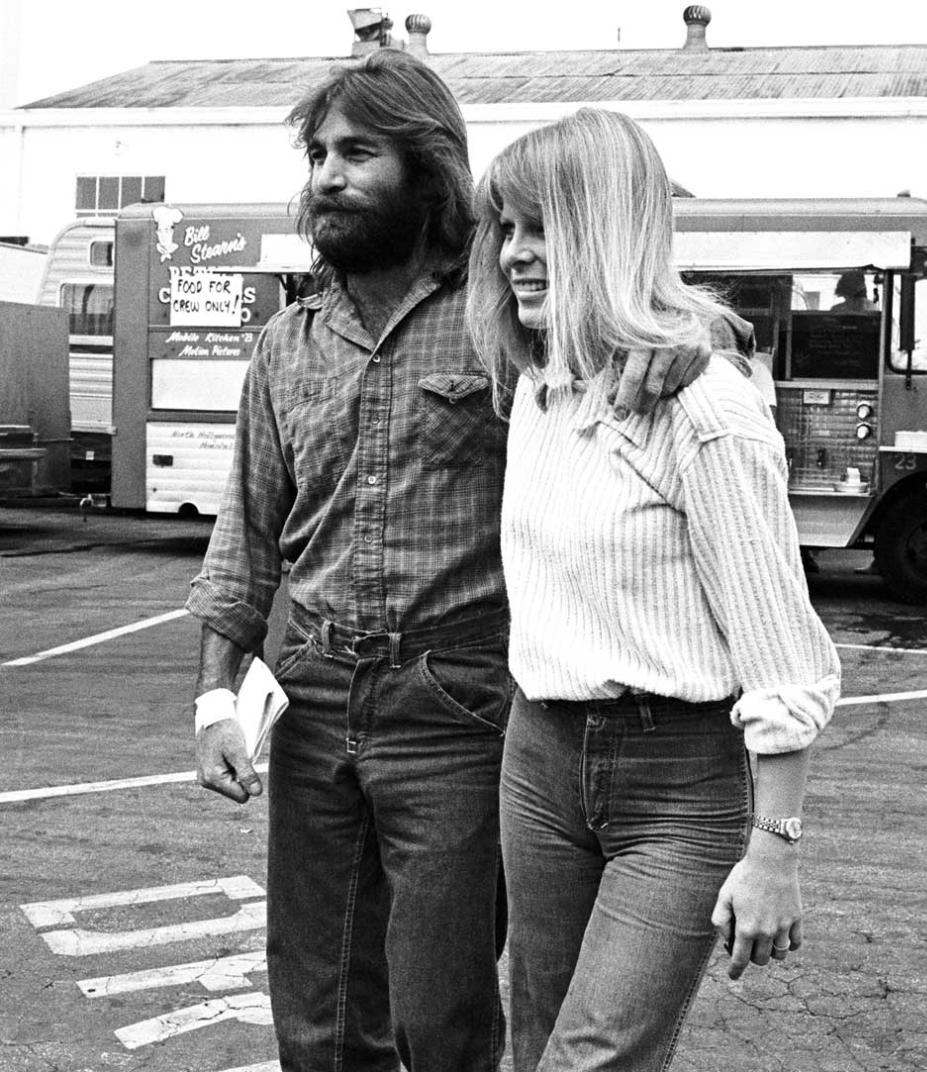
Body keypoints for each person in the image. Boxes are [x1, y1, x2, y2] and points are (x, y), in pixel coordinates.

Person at [186, 53, 710, 1072]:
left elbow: (629, 342)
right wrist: (213, 700)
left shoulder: (502, 324)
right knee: (317, 1005)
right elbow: (244, 537)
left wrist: (679, 344)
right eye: (319, 156)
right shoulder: (286, 345)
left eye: (357, 153)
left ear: (427, 170)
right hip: (313, 698)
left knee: (444, 1010)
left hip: (462, 704)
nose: (327, 177)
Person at [466, 107, 842, 1072]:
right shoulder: (542, 393)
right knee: (537, 1043)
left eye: (542, 224)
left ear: (610, 226)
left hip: (677, 784)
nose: (515, 251)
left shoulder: (704, 408)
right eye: (505, 226)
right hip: (538, 758)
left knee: (591, 1059)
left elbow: (782, 653)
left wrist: (777, 849)